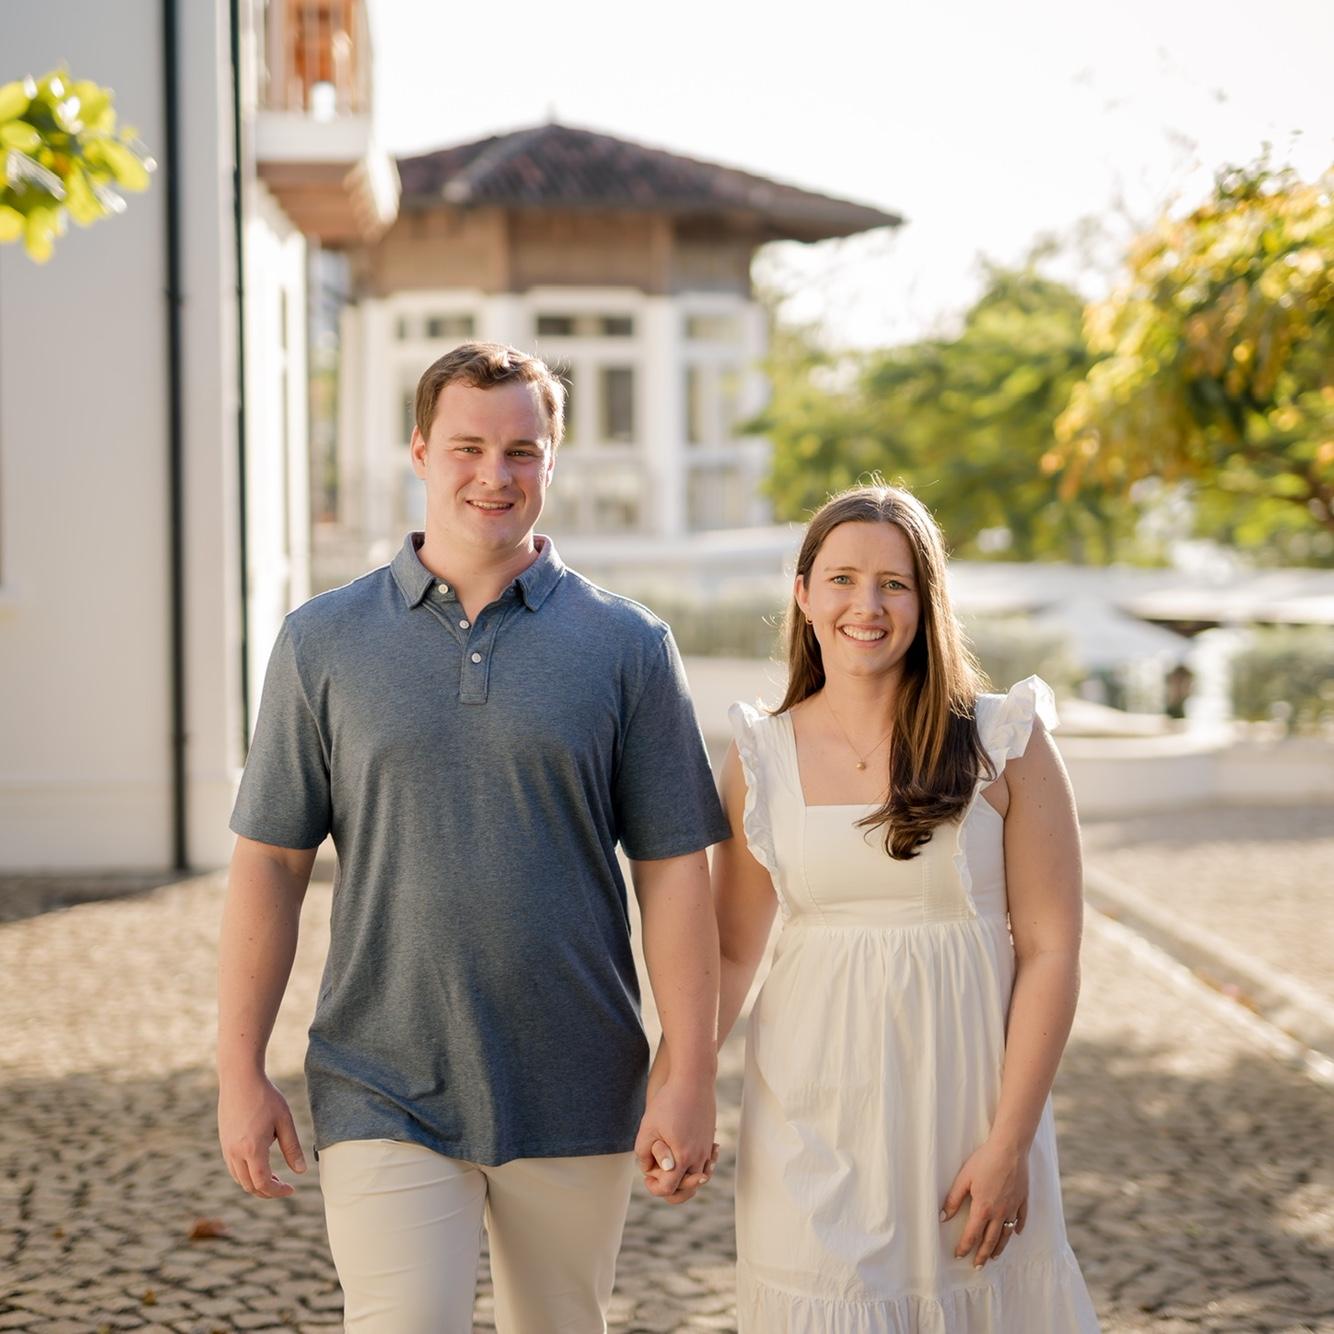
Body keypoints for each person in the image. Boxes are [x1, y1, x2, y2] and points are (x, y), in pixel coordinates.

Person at [216, 342, 729, 1332]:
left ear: (552, 460)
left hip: (578, 1075)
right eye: (467, 447)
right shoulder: (322, 641)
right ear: (419, 450)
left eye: (522, 451)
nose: (495, 474)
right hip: (380, 1073)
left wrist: (690, 1074)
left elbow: (673, 873)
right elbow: (272, 862)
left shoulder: (627, 645)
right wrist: (239, 1067)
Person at [710, 483, 1101, 1330]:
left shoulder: (1005, 741)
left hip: (969, 1113)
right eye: (842, 579)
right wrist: (682, 1079)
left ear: (927, 603)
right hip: (809, 1112)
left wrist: (1010, 1142)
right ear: (803, 594)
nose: (868, 606)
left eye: (895, 583)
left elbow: (1051, 949)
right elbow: (733, 950)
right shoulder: (758, 756)